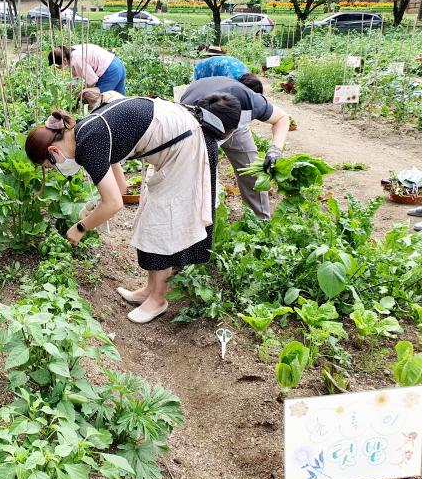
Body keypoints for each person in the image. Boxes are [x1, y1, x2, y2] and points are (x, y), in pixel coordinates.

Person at [24, 93, 241, 324]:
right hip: (181, 138)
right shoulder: (85, 131)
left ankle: (158, 299)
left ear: (54, 152)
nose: (57, 169)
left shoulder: (87, 144)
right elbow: (122, 187)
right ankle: (150, 290)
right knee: (151, 214)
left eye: (51, 165)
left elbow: (114, 203)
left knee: (162, 221)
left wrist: (80, 228)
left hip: (189, 144)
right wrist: (95, 208)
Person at [181, 76, 289, 219]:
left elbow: (282, 118)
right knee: (200, 177)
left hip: (232, 119)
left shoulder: (251, 102)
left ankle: (260, 221)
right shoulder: (185, 117)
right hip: (198, 129)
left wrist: (276, 149)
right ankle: (201, 223)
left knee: (251, 169)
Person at [49, 45, 127, 96]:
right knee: (120, 99)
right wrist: (71, 85)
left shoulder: (75, 60)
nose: (59, 69)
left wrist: (81, 92)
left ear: (64, 60)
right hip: (116, 63)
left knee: (100, 100)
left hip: (110, 71)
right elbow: (77, 75)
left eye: (58, 66)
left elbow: (92, 81)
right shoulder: (70, 51)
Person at [194, 55, 264, 94]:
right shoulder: (230, 79)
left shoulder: (248, 74)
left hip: (222, 65)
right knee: (203, 89)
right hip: (205, 67)